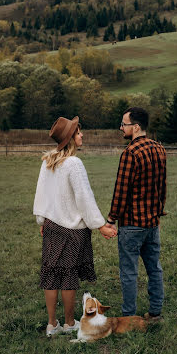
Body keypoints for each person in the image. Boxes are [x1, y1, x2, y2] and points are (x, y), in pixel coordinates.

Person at [33, 116, 116, 337]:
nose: (82, 135)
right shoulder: (74, 164)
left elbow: (41, 194)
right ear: (70, 138)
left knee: (51, 274)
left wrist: (42, 220)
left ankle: (52, 325)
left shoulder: (48, 161)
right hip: (72, 230)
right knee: (68, 276)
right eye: (78, 132)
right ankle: (69, 324)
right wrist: (100, 225)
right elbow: (84, 198)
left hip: (51, 226)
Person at [106, 107, 167, 319]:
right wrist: (158, 214)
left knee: (129, 272)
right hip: (152, 223)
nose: (121, 128)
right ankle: (156, 312)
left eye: (124, 124)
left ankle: (129, 317)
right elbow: (162, 187)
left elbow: (121, 191)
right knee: (154, 269)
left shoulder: (130, 153)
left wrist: (111, 219)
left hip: (132, 224)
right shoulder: (159, 149)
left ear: (136, 127)